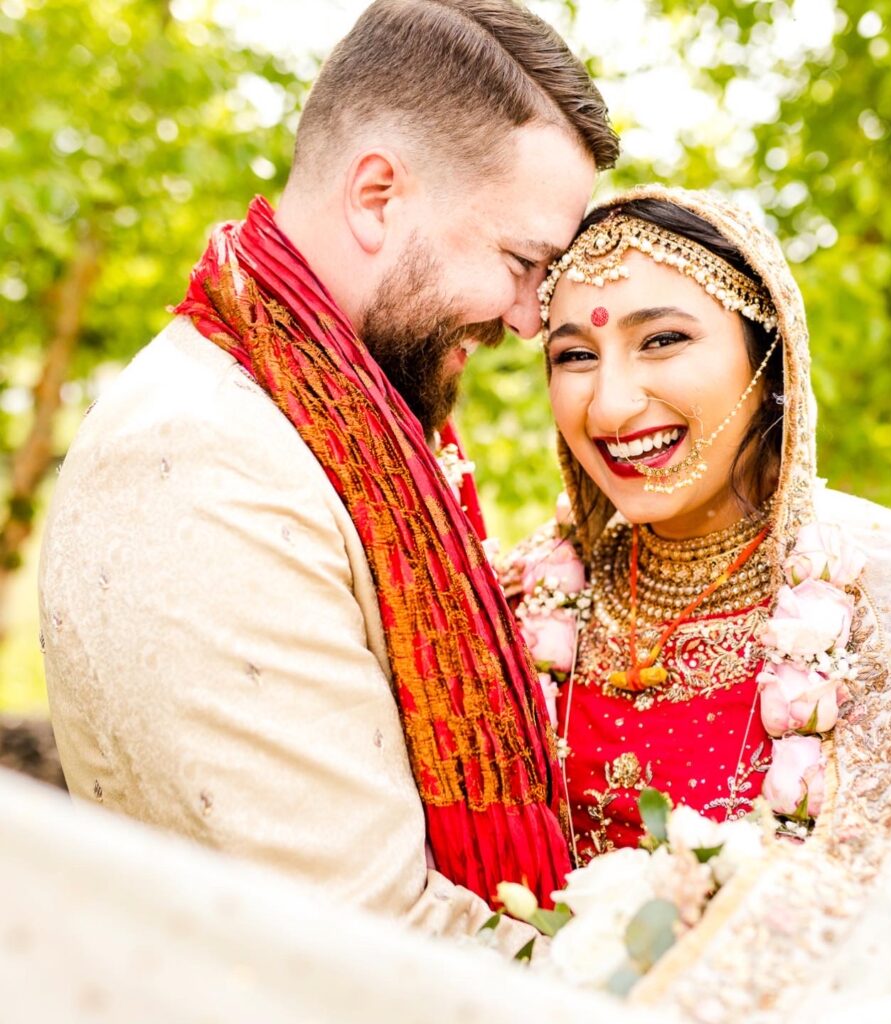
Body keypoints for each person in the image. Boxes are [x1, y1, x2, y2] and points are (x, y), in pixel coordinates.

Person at [38, 0, 618, 954]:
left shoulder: (334, 418)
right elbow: (364, 945)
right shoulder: (203, 465)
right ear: (378, 195)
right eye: (521, 262)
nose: (525, 320)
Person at [519, 184, 891, 1018]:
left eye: (665, 340)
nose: (609, 404)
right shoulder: (508, 604)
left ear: (769, 353)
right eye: (574, 356)